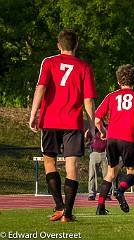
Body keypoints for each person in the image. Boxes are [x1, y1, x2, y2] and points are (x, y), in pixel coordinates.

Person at [29, 29, 96, 222]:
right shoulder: (84, 67)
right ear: (76, 45)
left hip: (50, 120)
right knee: (72, 166)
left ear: (58, 45)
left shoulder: (48, 62)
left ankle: (59, 206)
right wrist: (91, 127)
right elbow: (89, 100)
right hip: (73, 123)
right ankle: (67, 212)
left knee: (49, 163)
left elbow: (40, 87)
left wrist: (34, 114)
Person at [95, 64, 134, 215]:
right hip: (128, 139)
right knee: (132, 172)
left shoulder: (111, 96)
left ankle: (100, 207)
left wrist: (104, 132)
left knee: (110, 173)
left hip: (112, 139)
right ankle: (120, 190)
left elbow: (97, 119)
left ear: (118, 81)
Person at [86, 124, 113, 201]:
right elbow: (86, 138)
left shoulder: (107, 127)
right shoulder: (92, 128)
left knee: (107, 175)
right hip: (94, 153)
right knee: (92, 175)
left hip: (105, 153)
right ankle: (91, 194)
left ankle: (107, 194)